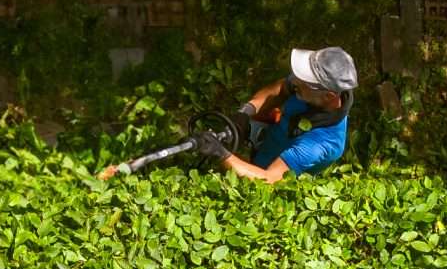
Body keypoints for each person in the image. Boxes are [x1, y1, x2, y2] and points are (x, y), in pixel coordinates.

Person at [104, 46, 358, 183]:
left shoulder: (321, 144)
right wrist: (245, 114)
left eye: (304, 81)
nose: (297, 81)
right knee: (199, 143)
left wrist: (221, 154)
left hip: (267, 173)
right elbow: (280, 88)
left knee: (213, 157)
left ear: (327, 96)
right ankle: (130, 168)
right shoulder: (312, 89)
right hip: (272, 135)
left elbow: (269, 180)